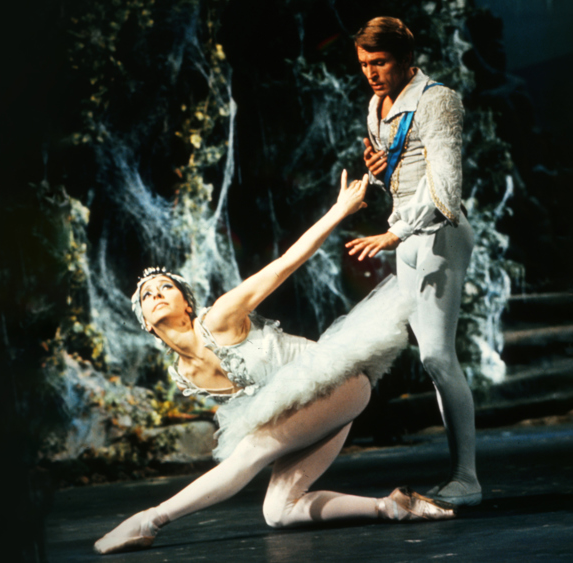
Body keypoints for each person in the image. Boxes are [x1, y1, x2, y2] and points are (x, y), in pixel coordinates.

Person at [94, 171, 454, 555]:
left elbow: (285, 263)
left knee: (251, 451)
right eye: (147, 295)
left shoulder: (219, 319)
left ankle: (149, 520)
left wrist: (338, 210)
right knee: (280, 511)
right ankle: (394, 507)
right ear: (146, 323)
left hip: (338, 380)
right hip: (313, 409)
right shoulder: (184, 375)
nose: (157, 294)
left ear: (187, 302)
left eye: (167, 286)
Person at [345, 17, 483, 507]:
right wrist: (380, 173)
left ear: (406, 59)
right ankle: (460, 475)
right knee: (431, 360)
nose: (371, 73)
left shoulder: (437, 100)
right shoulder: (376, 106)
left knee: (438, 356)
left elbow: (445, 186)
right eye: (364, 64)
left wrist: (394, 232)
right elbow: (401, 177)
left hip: (439, 232)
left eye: (380, 62)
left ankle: (467, 478)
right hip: (406, 235)